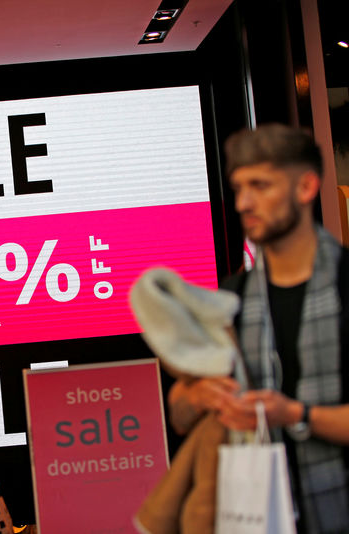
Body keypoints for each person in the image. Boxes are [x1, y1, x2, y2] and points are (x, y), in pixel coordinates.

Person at [168, 123, 349, 533]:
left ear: (305, 187)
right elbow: (179, 414)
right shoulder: (232, 297)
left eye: (260, 186)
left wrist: (296, 414)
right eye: (238, 188)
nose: (244, 203)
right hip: (257, 515)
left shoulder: (343, 284)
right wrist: (199, 395)